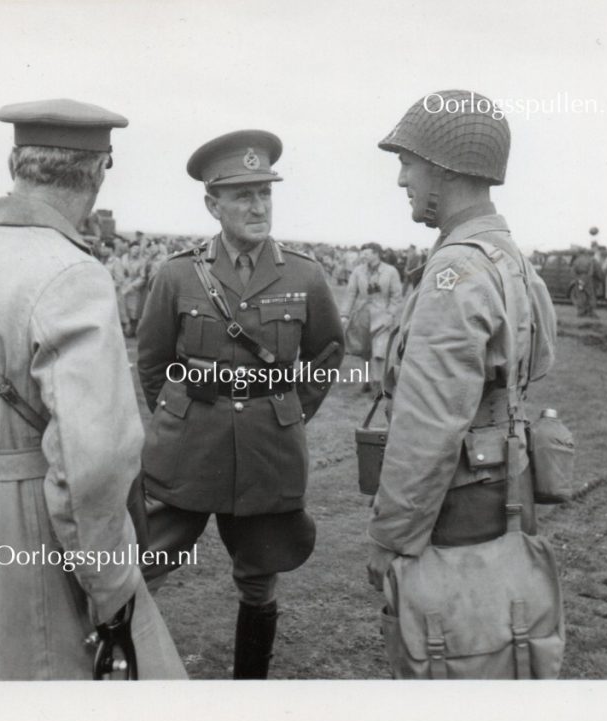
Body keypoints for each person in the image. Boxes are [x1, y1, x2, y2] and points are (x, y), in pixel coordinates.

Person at [0, 98, 185, 680]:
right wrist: (112, 588)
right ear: (99, 171)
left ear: (13, 162)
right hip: (23, 534)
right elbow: (91, 463)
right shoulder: (72, 274)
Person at [367, 89, 564, 679]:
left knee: (450, 664)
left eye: (409, 163)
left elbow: (426, 428)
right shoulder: (509, 257)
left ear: (446, 168)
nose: (402, 179)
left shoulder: (455, 270)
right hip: (505, 493)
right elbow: (541, 361)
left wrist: (391, 539)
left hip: (455, 513)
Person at [136, 130, 345, 679]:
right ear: (213, 205)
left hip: (266, 450)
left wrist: (286, 412)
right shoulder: (178, 274)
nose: (258, 207)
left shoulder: (304, 274)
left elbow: (326, 354)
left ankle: (248, 692)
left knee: (259, 577)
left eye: (265, 193)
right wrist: (181, 415)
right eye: (243, 195)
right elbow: (153, 362)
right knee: (143, 567)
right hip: (188, 448)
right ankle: (126, 680)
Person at [341, 242, 403, 393]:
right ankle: (366, 381)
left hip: (383, 317)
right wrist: (344, 314)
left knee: (379, 352)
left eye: (366, 253)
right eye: (363, 253)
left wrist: (390, 314)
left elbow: (396, 296)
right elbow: (350, 294)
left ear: (376, 254)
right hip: (362, 316)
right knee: (364, 351)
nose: (363, 256)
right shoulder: (358, 271)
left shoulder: (390, 271)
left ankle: (378, 382)